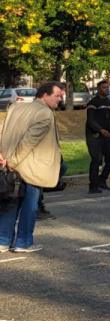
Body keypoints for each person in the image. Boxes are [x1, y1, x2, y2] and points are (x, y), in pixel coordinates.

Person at [0, 82, 65, 253]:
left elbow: (3, 131)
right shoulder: (45, 113)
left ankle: (3, 241)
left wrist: (3, 156)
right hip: (31, 168)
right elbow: (29, 142)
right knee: (30, 206)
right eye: (57, 95)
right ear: (44, 95)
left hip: (10, 165)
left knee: (11, 203)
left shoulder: (16, 107)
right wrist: (12, 161)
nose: (60, 99)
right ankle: (23, 242)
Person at [85, 79, 110, 194]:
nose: (107, 89)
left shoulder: (108, 103)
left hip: (106, 136)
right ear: (99, 89)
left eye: (107, 87)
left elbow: (109, 120)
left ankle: (102, 180)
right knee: (97, 160)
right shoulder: (93, 103)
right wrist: (100, 130)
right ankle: (93, 186)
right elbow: (90, 121)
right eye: (104, 87)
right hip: (94, 136)